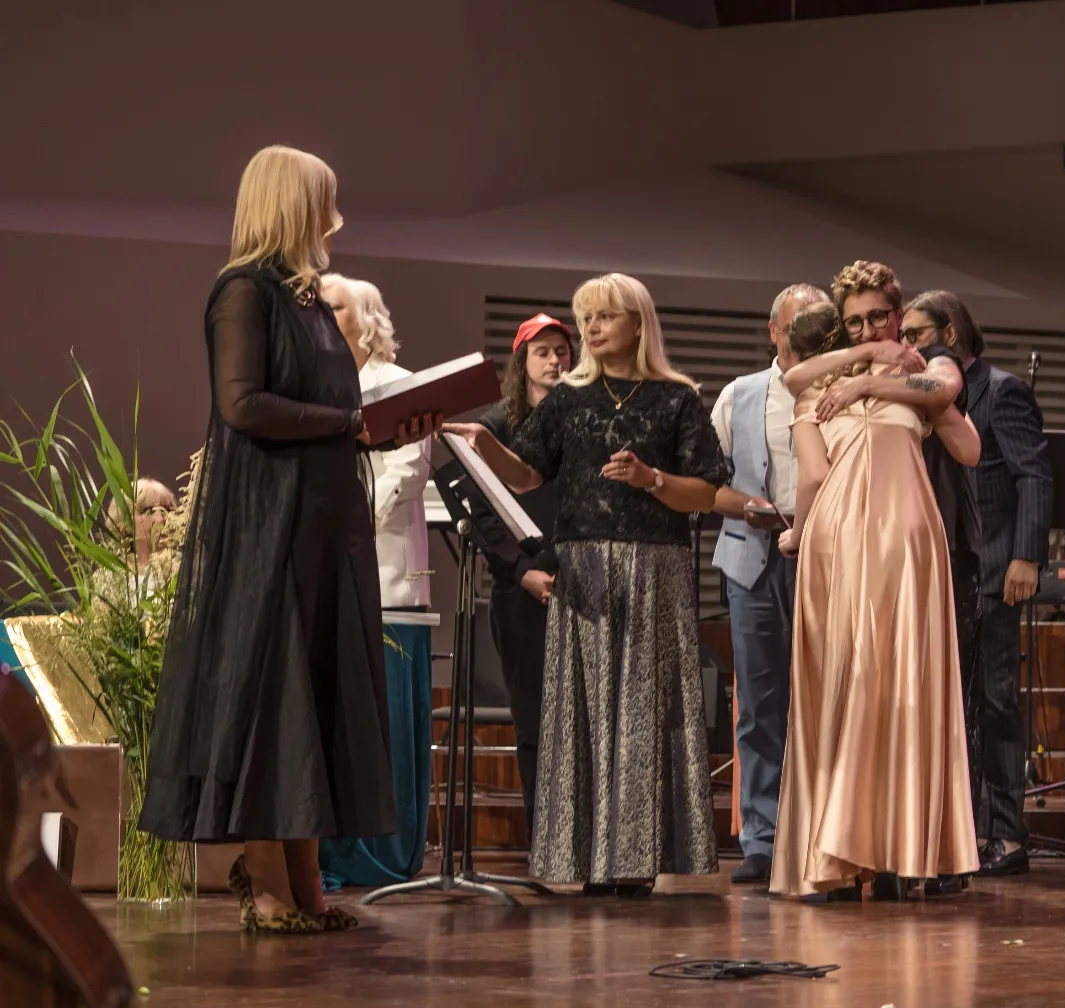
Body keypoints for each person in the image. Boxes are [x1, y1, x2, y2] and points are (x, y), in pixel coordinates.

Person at [139, 145, 437, 933]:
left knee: (315, 696)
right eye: (325, 202)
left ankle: (306, 882)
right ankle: (266, 875)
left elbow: (337, 412)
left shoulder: (308, 300)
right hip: (272, 526)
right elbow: (242, 404)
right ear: (292, 205)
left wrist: (380, 427)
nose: (336, 218)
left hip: (323, 524)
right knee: (277, 701)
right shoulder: (243, 292)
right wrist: (351, 424)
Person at [442, 273, 725, 896]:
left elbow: (707, 491)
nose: (591, 329)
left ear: (638, 324)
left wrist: (652, 479)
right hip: (586, 572)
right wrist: (487, 444)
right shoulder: (568, 399)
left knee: (643, 715)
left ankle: (638, 861)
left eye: (604, 317)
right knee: (587, 715)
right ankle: (593, 859)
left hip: (653, 570)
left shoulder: (677, 398)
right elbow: (525, 476)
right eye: (586, 318)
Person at [768, 261, 979, 902]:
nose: (866, 328)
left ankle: (894, 850)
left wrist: (881, 382)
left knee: (899, 688)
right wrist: (864, 359)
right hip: (837, 543)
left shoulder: (921, 375)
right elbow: (809, 461)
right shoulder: (816, 387)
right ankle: (837, 855)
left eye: (877, 317)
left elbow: (966, 443)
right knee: (843, 684)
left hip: (905, 544)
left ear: (897, 311)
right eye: (853, 321)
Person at [902, 289, 1053, 878]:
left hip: (991, 569)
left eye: (916, 333)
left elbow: (1033, 476)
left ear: (950, 333)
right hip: (942, 571)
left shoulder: (1002, 391)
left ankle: (1006, 835)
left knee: (995, 701)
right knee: (951, 705)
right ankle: (958, 831)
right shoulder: (915, 391)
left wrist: (1026, 557)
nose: (906, 343)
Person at [315, 273, 433, 890]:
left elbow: (407, 472)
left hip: (388, 583)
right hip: (330, 577)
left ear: (367, 320)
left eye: (334, 307)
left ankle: (382, 853)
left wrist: (347, 523)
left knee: (385, 723)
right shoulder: (318, 389)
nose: (322, 314)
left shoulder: (397, 384)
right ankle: (329, 850)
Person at [710, 282, 827, 886]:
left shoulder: (837, 391)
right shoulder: (740, 394)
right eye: (795, 326)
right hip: (753, 560)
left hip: (823, 557)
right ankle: (762, 838)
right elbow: (707, 480)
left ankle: (821, 838)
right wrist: (744, 506)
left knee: (824, 701)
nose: (804, 338)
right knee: (758, 706)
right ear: (774, 331)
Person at [475, 312, 570, 850]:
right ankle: (545, 841)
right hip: (521, 590)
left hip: (578, 584)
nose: (555, 360)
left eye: (562, 351)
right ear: (522, 361)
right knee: (534, 721)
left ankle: (579, 841)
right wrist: (521, 571)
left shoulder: (580, 420)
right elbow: (483, 516)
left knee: (581, 722)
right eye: (543, 352)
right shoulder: (495, 427)